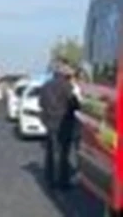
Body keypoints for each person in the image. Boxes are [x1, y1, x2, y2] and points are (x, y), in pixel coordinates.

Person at [38, 61, 80, 190]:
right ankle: (62, 182)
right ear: (63, 74)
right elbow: (74, 105)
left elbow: (41, 103)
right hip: (64, 124)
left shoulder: (45, 86)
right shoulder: (67, 86)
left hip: (50, 123)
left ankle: (50, 179)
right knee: (63, 154)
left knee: (51, 152)